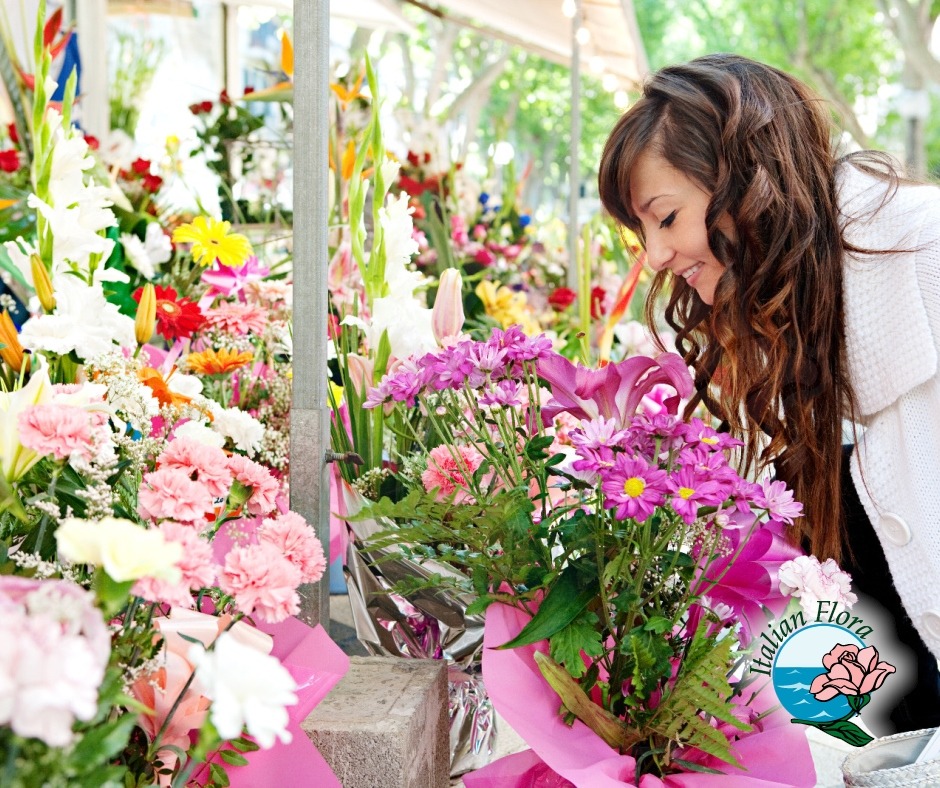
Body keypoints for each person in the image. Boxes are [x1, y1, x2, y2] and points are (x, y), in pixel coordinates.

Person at [598, 53, 940, 733]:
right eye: (643, 233)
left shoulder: (921, 251)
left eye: (666, 219)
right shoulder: (797, 303)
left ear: (747, 180)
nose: (657, 258)